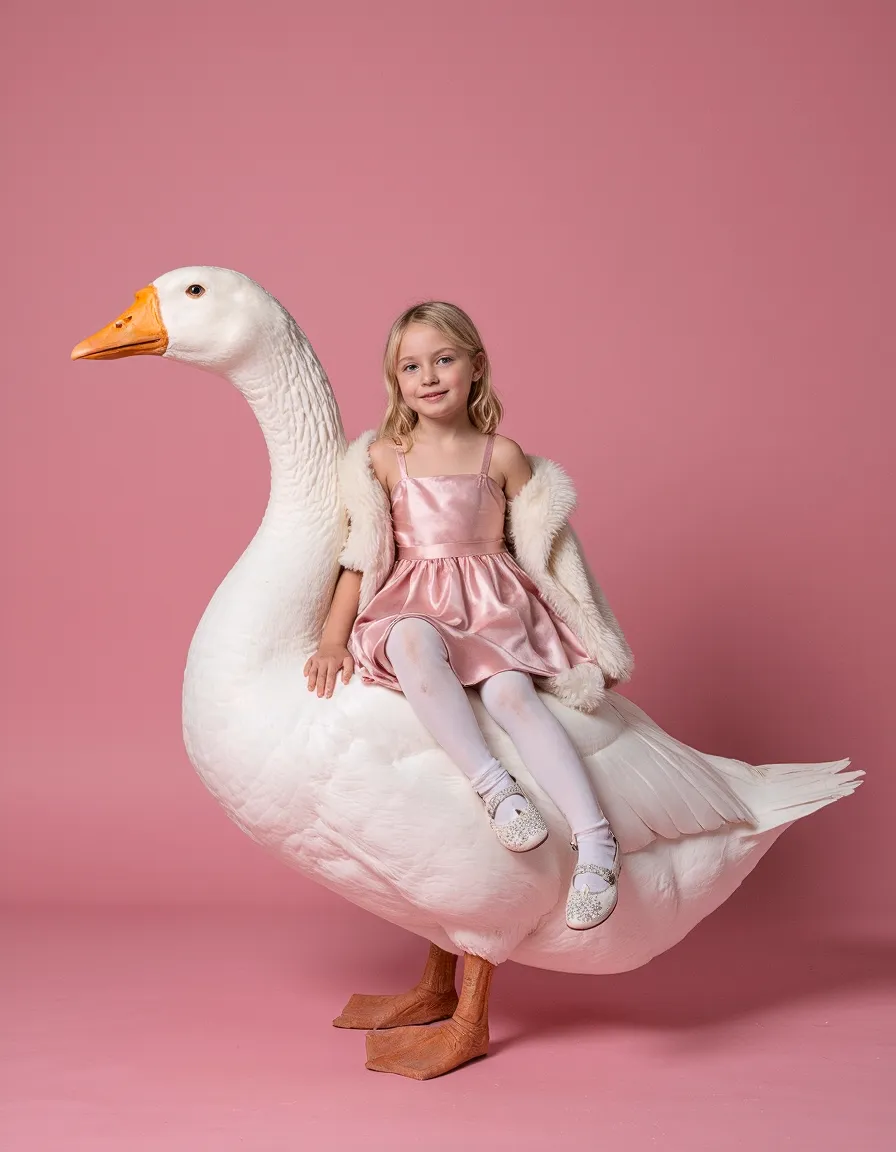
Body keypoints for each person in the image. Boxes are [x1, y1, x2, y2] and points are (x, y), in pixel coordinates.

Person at [304, 302, 629, 930]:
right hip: (413, 597)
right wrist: (331, 639)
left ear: (476, 367)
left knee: (512, 695)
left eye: (444, 360)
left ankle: (596, 843)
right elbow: (361, 552)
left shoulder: (501, 456)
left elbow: (545, 549)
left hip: (491, 603)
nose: (428, 377)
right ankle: (494, 786)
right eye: (411, 367)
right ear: (395, 380)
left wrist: (578, 626)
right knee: (409, 643)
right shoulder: (381, 458)